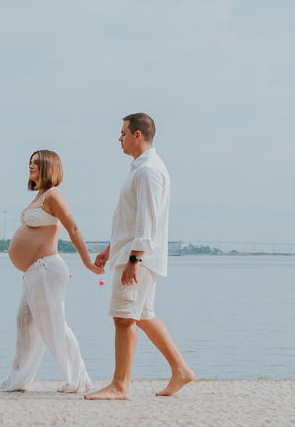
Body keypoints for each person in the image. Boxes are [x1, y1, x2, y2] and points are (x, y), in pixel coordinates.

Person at [85, 113, 194, 400]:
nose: (118, 139)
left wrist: (133, 260)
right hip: (132, 253)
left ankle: (121, 386)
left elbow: (148, 220)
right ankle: (181, 370)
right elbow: (129, 218)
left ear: (137, 135)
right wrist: (110, 250)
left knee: (123, 318)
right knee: (143, 315)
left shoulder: (148, 170)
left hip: (138, 258)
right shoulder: (140, 168)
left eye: (122, 133)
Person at [0, 150, 103, 393]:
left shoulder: (54, 195)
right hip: (33, 273)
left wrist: (87, 263)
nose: (30, 166)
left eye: (36, 163)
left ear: (48, 166)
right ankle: (15, 381)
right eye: (29, 162)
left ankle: (78, 380)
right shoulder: (39, 195)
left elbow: (73, 228)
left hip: (46, 269)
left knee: (54, 326)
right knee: (24, 325)